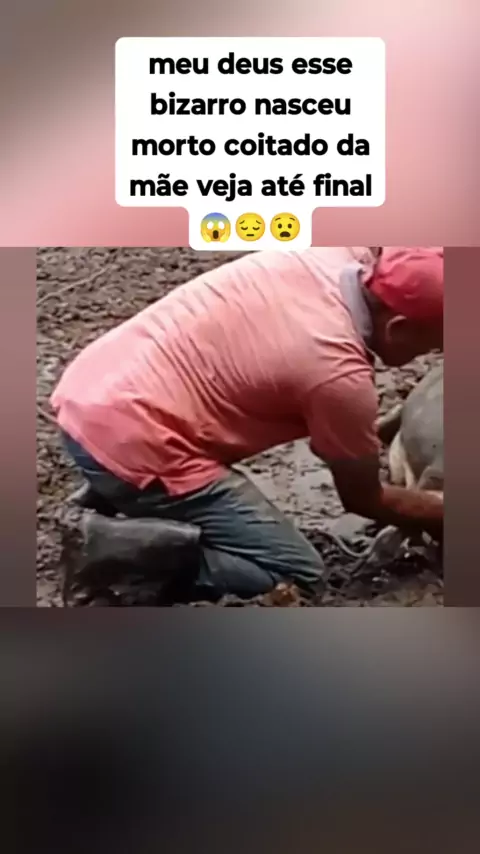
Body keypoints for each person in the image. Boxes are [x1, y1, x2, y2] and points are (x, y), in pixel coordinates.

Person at [50, 246, 444, 599]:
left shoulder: (332, 254)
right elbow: (363, 498)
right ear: (397, 327)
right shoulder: (339, 377)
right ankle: (115, 553)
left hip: (92, 387)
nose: (437, 350)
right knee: (297, 575)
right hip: (138, 446)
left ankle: (109, 492)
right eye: (436, 340)